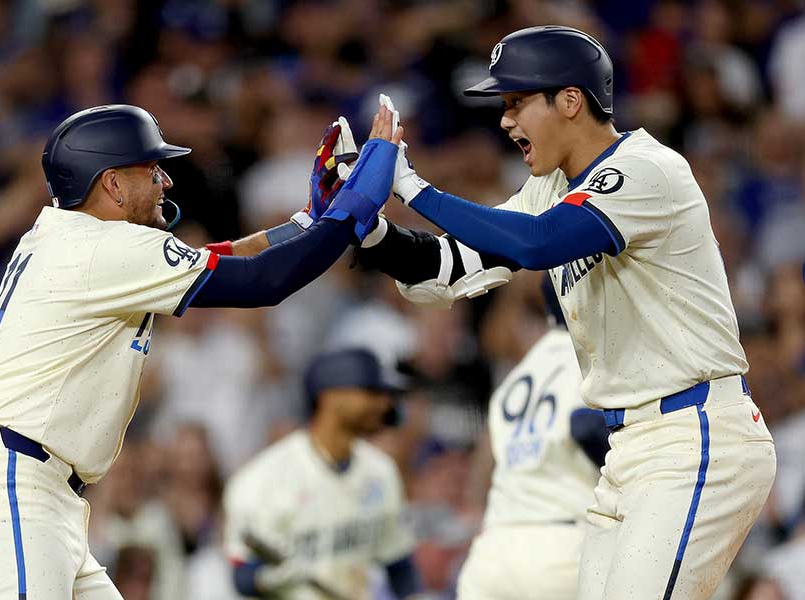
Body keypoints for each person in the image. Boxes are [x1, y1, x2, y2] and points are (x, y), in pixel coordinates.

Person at [357, 26, 776, 600]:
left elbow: (536, 243)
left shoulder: (647, 167)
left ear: (571, 101)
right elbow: (454, 266)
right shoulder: (551, 187)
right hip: (630, 449)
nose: (505, 121)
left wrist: (408, 182)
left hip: (696, 434)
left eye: (516, 103)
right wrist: (366, 229)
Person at [0, 103, 403, 599]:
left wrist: (306, 226)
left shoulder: (72, 238)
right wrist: (354, 208)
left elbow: (212, 258)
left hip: (29, 489)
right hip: (8, 486)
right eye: (151, 169)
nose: (165, 181)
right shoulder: (103, 249)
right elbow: (263, 281)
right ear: (112, 184)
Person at [223, 348, 421, 599]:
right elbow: (241, 574)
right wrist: (269, 578)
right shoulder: (263, 478)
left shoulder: (381, 471)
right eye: (371, 392)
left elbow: (399, 564)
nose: (384, 403)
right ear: (331, 398)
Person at [456, 277, 609, 600]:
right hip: (561, 543)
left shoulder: (519, 373)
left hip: (493, 551)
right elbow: (584, 425)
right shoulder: (595, 362)